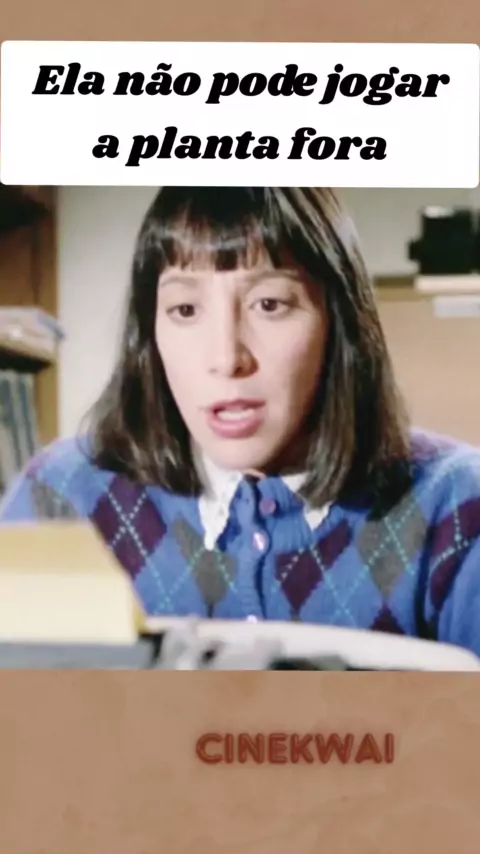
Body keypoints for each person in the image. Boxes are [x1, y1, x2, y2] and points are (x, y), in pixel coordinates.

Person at [1, 187, 480, 654]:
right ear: (149, 334)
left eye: (269, 305)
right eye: (185, 309)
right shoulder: (61, 497)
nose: (226, 358)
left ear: (338, 322)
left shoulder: (457, 506)